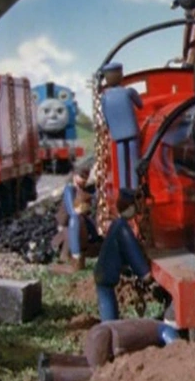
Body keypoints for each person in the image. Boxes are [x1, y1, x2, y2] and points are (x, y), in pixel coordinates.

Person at [37, 317, 180, 381]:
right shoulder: (164, 330)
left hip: (98, 331)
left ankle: (51, 362)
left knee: (87, 361)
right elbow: (177, 349)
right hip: (108, 338)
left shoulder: (148, 322)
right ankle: (53, 378)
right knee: (98, 374)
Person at [94, 188, 152, 321]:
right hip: (107, 275)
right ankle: (109, 327)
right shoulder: (123, 229)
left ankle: (110, 325)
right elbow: (132, 251)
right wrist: (144, 273)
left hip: (103, 272)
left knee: (107, 301)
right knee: (108, 306)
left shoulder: (117, 224)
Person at [99, 62, 143, 190]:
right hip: (131, 132)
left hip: (117, 134)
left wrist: (110, 128)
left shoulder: (105, 97)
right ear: (121, 75)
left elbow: (106, 117)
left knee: (121, 162)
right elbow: (140, 105)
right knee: (133, 159)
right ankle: (134, 186)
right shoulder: (128, 92)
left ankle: (124, 187)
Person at [51, 166, 98, 274]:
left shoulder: (82, 191)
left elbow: (86, 218)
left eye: (86, 177)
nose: (84, 180)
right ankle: (74, 257)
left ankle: (78, 258)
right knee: (75, 220)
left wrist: (95, 235)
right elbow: (71, 210)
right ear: (75, 176)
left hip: (79, 224)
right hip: (68, 225)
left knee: (80, 223)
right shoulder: (69, 189)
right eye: (82, 176)